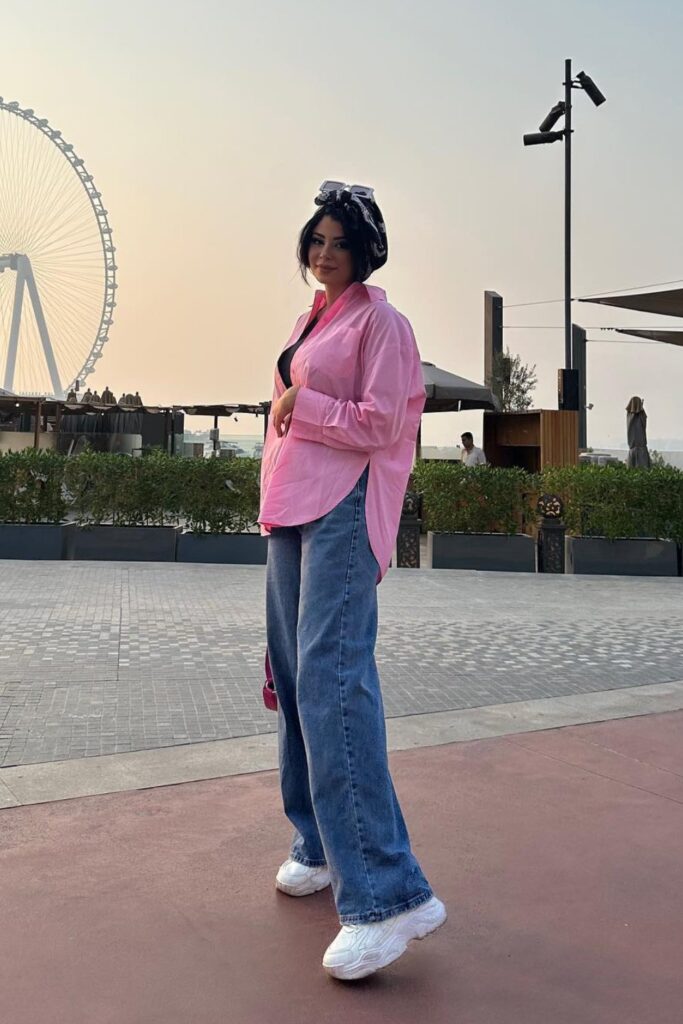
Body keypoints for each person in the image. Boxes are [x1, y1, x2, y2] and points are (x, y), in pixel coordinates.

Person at [259, 181, 446, 982]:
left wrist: (305, 407)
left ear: (365, 251)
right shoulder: (311, 320)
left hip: (341, 507)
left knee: (334, 686)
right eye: (316, 239)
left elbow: (382, 422)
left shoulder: (382, 323)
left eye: (339, 241)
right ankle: (319, 842)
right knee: (297, 677)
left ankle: (387, 896)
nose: (323, 252)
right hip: (292, 510)